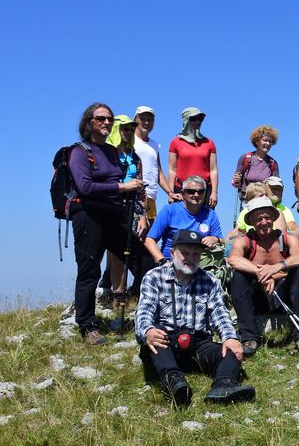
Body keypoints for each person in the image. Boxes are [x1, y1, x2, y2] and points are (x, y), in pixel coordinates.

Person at [135, 229, 254, 406]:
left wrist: (230, 337)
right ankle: (174, 382)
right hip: (166, 343)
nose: (190, 258)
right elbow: (144, 312)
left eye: (196, 254)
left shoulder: (210, 281)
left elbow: (220, 313)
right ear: (172, 253)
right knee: (157, 334)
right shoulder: (154, 277)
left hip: (197, 343)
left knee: (230, 349)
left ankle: (224, 385)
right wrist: (147, 331)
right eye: (185, 253)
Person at [67, 102, 146, 345]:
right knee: (89, 271)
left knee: (144, 260)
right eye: (100, 118)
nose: (107, 122)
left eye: (109, 119)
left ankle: (149, 314)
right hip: (88, 217)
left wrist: (133, 195)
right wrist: (122, 186)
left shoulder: (112, 152)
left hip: (114, 215)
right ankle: (88, 326)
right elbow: (85, 187)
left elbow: (117, 182)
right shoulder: (79, 152)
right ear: (88, 123)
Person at [228, 197, 299, 357]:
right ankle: (249, 337)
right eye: (258, 219)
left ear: (273, 218)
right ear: (252, 222)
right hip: (258, 297)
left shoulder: (287, 238)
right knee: (238, 276)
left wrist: (274, 269)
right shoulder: (244, 240)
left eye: (267, 217)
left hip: (283, 295)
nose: (263, 222)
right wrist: (260, 272)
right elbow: (233, 259)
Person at [106, 115, 148, 306]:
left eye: (131, 129)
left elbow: (140, 188)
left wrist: (142, 215)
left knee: (129, 250)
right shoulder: (108, 155)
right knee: (115, 253)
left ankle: (130, 292)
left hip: (131, 207)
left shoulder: (135, 157)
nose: (128, 132)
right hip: (112, 206)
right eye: (125, 129)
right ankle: (117, 293)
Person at [144, 176, 223, 263]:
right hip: (171, 262)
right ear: (183, 193)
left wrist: (216, 239)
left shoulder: (210, 214)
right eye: (191, 191)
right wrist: (162, 262)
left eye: (200, 192)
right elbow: (149, 240)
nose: (196, 195)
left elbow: (222, 241)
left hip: (199, 263)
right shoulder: (169, 211)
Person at [167, 107, 218, 207]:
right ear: (186, 120)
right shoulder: (175, 142)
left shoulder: (209, 143)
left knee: (206, 217)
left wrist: (214, 192)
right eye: (193, 119)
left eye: (200, 119)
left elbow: (213, 170)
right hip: (182, 190)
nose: (197, 122)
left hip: (204, 191)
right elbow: (172, 170)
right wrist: (170, 193)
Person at [232, 125, 280, 200]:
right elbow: (235, 181)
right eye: (265, 140)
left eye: (270, 141)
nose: (268, 143)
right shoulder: (245, 158)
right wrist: (236, 180)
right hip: (247, 200)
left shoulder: (273, 163)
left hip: (265, 201)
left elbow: (277, 186)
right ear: (257, 141)